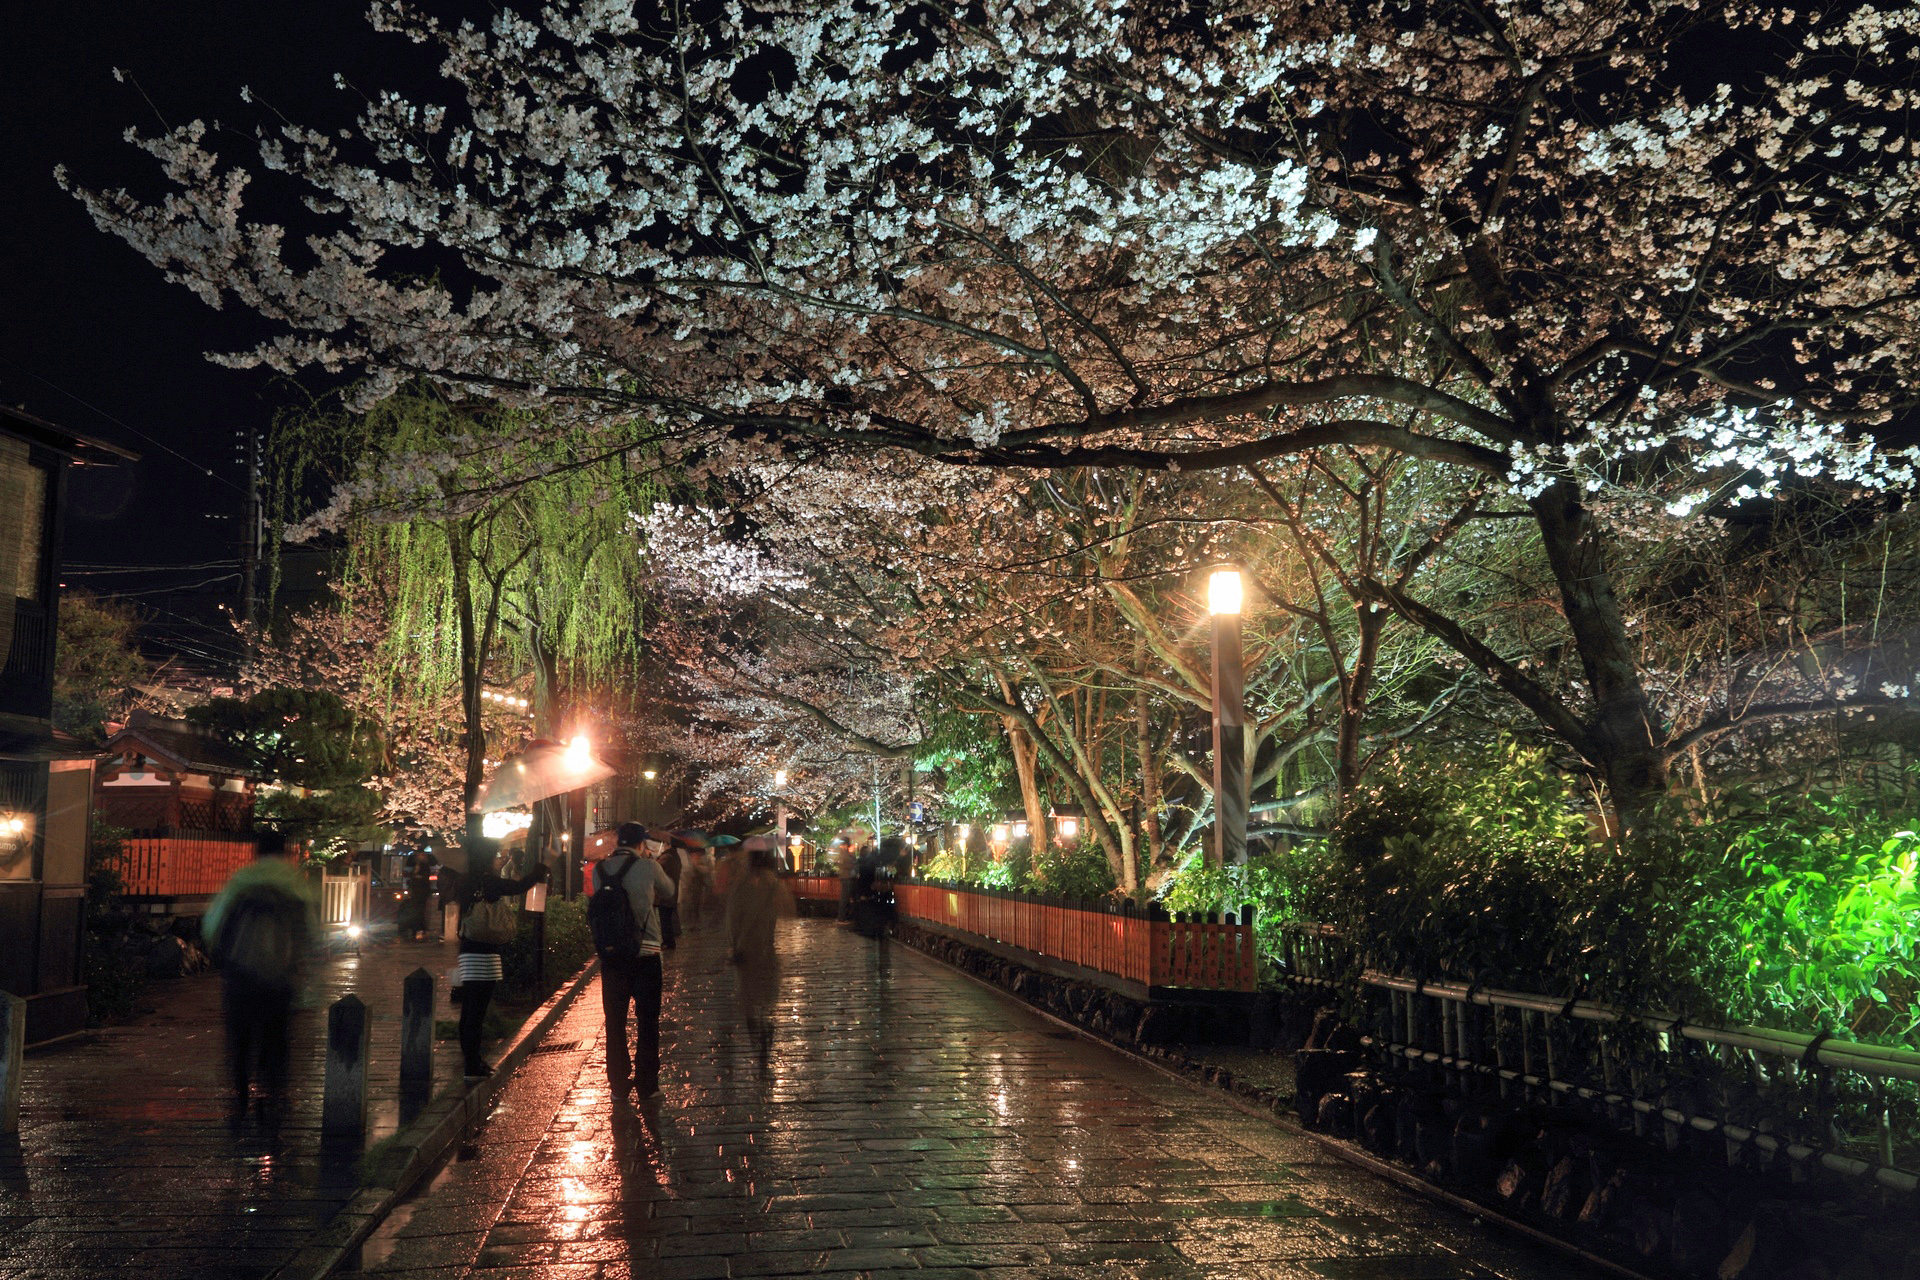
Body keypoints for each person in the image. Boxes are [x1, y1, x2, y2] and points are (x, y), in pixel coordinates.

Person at [202, 829, 318, 1129]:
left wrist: (221, 955)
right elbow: (312, 935)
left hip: (241, 976)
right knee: (275, 1039)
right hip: (279, 979)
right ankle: (270, 1097)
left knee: (240, 1040)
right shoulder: (295, 885)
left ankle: (239, 1098)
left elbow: (213, 923)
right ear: (285, 852)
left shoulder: (241, 881)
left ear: (257, 851)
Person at [592, 822, 677, 1099]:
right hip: (646, 954)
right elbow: (669, 891)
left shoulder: (599, 870)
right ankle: (647, 1084)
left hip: (612, 956)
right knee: (648, 1020)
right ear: (642, 843)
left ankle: (618, 1085)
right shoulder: (648, 867)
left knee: (614, 1022)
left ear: (618, 842)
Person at [454, 839, 550, 1080]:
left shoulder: (465, 880)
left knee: (470, 1010)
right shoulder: (487, 881)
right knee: (477, 1010)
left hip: (468, 949)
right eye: (495, 856)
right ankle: (472, 1066)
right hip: (484, 952)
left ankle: (473, 1061)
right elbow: (516, 887)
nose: (498, 860)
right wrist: (538, 872)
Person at [726, 846, 795, 1060]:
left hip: (745, 948)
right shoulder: (774, 884)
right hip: (766, 947)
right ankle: (765, 1024)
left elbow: (732, 917)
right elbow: (788, 911)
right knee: (766, 991)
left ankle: (754, 1027)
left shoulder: (741, 884)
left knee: (747, 992)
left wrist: (732, 943)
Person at [398, 852, 433, 941]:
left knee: (419, 910)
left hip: (420, 892)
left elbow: (424, 877)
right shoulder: (416, 866)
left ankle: (418, 928)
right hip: (416, 891)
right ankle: (416, 928)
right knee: (416, 910)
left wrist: (415, 877)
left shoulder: (424, 866)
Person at [831, 837, 856, 921]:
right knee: (844, 897)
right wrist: (853, 861)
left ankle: (844, 916)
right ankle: (842, 916)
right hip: (846, 877)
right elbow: (846, 864)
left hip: (847, 876)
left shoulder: (846, 853)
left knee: (846, 897)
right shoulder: (843, 854)